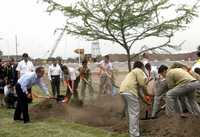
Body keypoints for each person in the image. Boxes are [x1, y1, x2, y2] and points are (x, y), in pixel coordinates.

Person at [119, 61, 150, 137]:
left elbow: (138, 93)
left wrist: (146, 102)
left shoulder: (132, 73)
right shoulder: (138, 70)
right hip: (130, 91)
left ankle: (132, 132)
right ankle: (134, 134)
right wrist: (148, 94)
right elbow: (143, 85)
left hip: (123, 91)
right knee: (134, 113)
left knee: (131, 113)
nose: (144, 69)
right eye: (143, 67)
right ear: (141, 66)